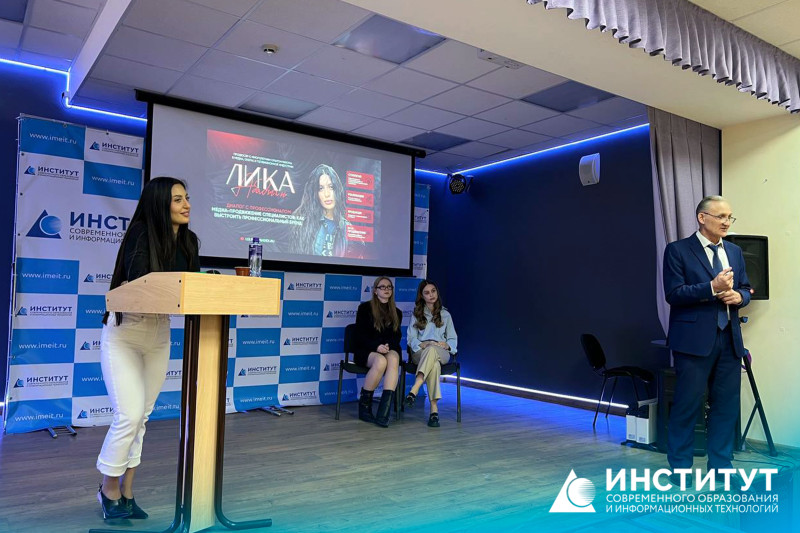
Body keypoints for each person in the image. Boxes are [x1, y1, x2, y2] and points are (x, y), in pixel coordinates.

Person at [96, 177, 200, 520]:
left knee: (142, 416)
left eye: (186, 198)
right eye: (177, 200)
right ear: (159, 204)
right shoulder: (141, 233)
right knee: (128, 415)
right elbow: (140, 283)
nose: (186, 205)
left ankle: (127, 491)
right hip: (125, 332)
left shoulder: (189, 241)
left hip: (159, 332)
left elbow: (193, 289)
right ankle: (108, 489)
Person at [663, 195, 751, 488]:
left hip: (729, 340)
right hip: (693, 343)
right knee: (687, 406)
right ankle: (680, 469)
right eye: (721, 216)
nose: (727, 222)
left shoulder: (735, 251)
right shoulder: (678, 250)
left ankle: (721, 467)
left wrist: (740, 296)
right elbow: (674, 294)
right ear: (702, 218)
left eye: (729, 217)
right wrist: (712, 288)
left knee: (725, 408)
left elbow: (746, 288)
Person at [405, 280, 457, 428]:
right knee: (433, 364)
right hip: (420, 352)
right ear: (422, 296)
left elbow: (453, 339)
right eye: (427, 293)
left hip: (441, 351)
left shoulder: (445, 314)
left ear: (437, 292)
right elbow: (411, 338)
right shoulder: (416, 314)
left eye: (433, 291)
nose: (431, 295)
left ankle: (414, 389)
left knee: (433, 350)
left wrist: (447, 345)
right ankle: (434, 410)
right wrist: (424, 344)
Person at [354, 277, 402, 428]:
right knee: (381, 361)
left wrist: (387, 346)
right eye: (382, 287)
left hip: (387, 349)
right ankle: (364, 408)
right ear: (375, 291)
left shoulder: (397, 312)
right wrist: (376, 347)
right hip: (366, 350)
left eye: (389, 287)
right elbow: (360, 335)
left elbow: (396, 336)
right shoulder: (364, 309)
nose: (386, 289)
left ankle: (384, 412)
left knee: (394, 358)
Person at [291, 164, 352, 257]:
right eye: (321, 189)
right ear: (315, 193)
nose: (327, 194)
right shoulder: (302, 222)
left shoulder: (346, 227)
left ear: (337, 190)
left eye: (331, 187)